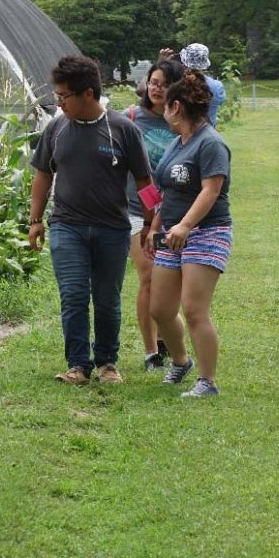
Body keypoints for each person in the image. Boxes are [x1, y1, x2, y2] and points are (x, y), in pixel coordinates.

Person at [28, 55, 153, 386]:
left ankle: (107, 363)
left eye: (63, 96)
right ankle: (78, 365)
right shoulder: (56, 128)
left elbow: (145, 181)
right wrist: (35, 219)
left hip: (112, 229)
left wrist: (153, 222)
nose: (59, 103)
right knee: (73, 294)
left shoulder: (123, 130)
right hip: (66, 226)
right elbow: (42, 174)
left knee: (107, 298)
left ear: (87, 94)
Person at [143, 71, 233, 398]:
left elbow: (210, 191)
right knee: (161, 309)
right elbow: (165, 190)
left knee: (194, 309)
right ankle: (181, 362)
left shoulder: (211, 142)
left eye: (166, 105)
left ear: (176, 106)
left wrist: (185, 225)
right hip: (172, 232)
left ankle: (207, 381)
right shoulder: (176, 143)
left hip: (207, 231)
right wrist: (156, 227)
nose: (162, 111)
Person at [124, 58, 185, 371]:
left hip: (175, 214)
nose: (157, 88)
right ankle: (151, 352)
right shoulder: (131, 119)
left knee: (170, 282)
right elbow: (140, 175)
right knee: (147, 276)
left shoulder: (183, 123)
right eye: (153, 82)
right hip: (136, 211)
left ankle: (166, 336)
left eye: (164, 83)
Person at [176, 43, 226, 128]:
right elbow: (220, 101)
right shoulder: (217, 86)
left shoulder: (178, 84)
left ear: (184, 63)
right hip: (208, 135)